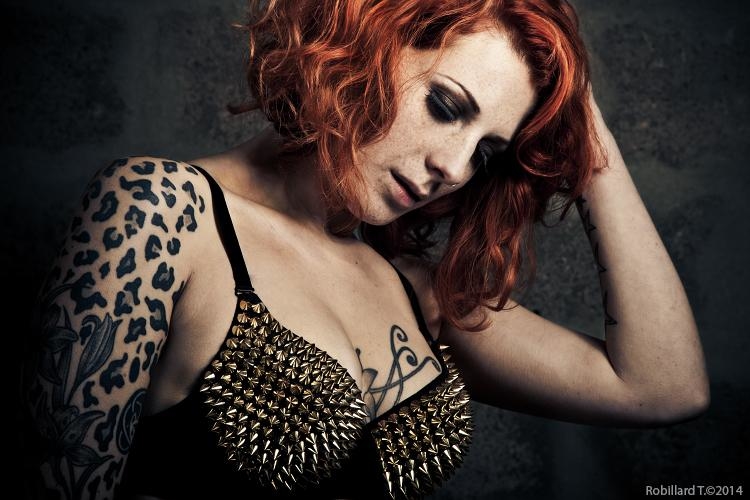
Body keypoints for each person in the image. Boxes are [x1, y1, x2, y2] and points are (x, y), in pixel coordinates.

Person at [22, 0, 710, 498]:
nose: (454, 167)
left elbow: (662, 387)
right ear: (365, 43)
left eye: (486, 152)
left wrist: (585, 128)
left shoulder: (415, 290)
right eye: (446, 107)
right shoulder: (163, 210)